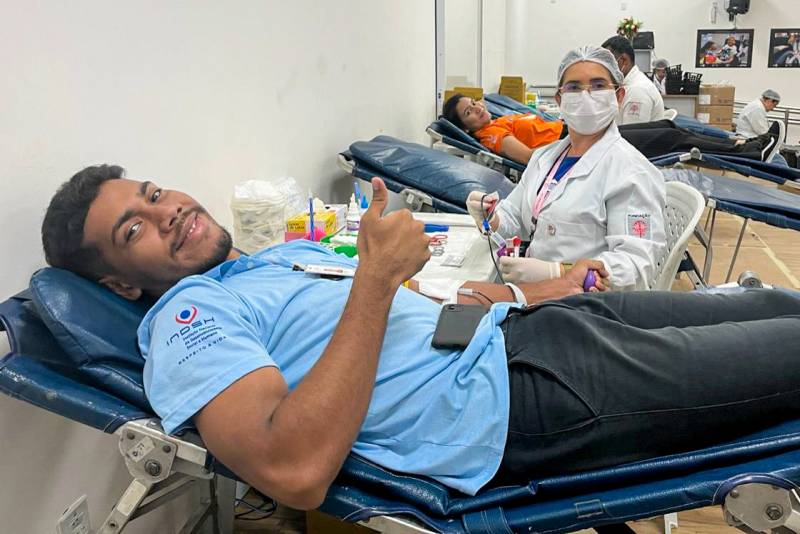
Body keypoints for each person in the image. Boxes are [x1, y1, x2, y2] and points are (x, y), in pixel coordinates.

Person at [41, 164, 800, 509]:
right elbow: (293, 470)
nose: (166, 209)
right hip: (528, 396)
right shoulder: (185, 320)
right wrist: (374, 278)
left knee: (778, 307)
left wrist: (530, 293)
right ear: (118, 283)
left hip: (538, 330)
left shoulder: (271, 258)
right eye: (133, 227)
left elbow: (411, 332)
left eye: (150, 192)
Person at [466, 45, 667, 291]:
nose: (586, 95)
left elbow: (637, 264)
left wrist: (561, 272)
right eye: (574, 87)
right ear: (560, 99)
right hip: (536, 295)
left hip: (588, 310)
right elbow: (515, 216)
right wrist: (491, 217)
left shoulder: (633, 172)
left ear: (619, 96)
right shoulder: (544, 158)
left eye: (598, 85)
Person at [442, 94, 778, 165]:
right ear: (465, 127)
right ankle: (747, 151)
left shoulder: (499, 118)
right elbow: (530, 158)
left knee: (667, 126)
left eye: (475, 102)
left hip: (577, 134)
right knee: (671, 139)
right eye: (469, 113)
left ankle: (744, 144)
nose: (478, 109)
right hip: (576, 143)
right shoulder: (491, 136)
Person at [602, 35, 665, 124]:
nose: (603, 68)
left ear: (624, 60)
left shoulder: (637, 90)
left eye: (607, 63)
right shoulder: (626, 84)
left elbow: (631, 135)